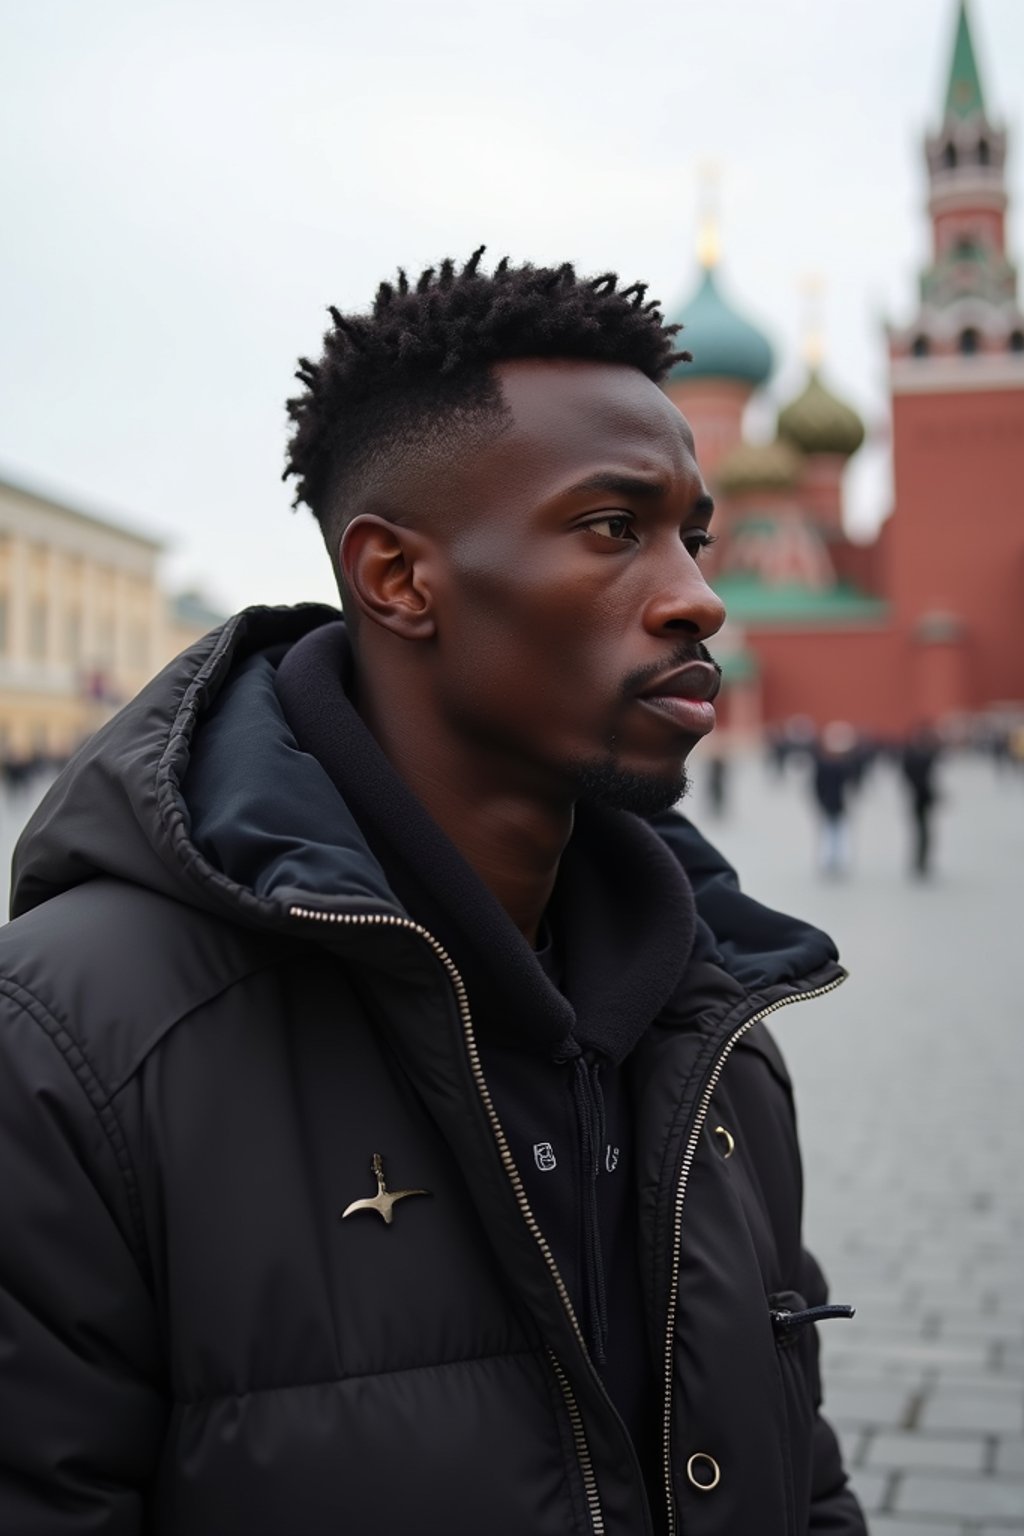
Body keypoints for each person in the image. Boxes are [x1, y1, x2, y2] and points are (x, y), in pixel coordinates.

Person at [0, 251, 865, 1535]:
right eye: (611, 529)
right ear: (399, 579)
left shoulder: (719, 1028)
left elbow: (801, 1484)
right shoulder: (68, 1048)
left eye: (693, 534)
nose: (698, 598)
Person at [811, 721, 859, 877]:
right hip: (830, 803)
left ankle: (837, 860)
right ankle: (829, 860)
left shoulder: (842, 765)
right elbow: (817, 786)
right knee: (829, 833)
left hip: (837, 803)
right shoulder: (827, 765)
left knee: (838, 833)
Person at [900, 724, 942, 878]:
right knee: (924, 832)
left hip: (918, 798)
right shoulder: (920, 755)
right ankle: (921, 862)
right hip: (921, 798)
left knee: (922, 832)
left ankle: (920, 862)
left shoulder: (912, 754)